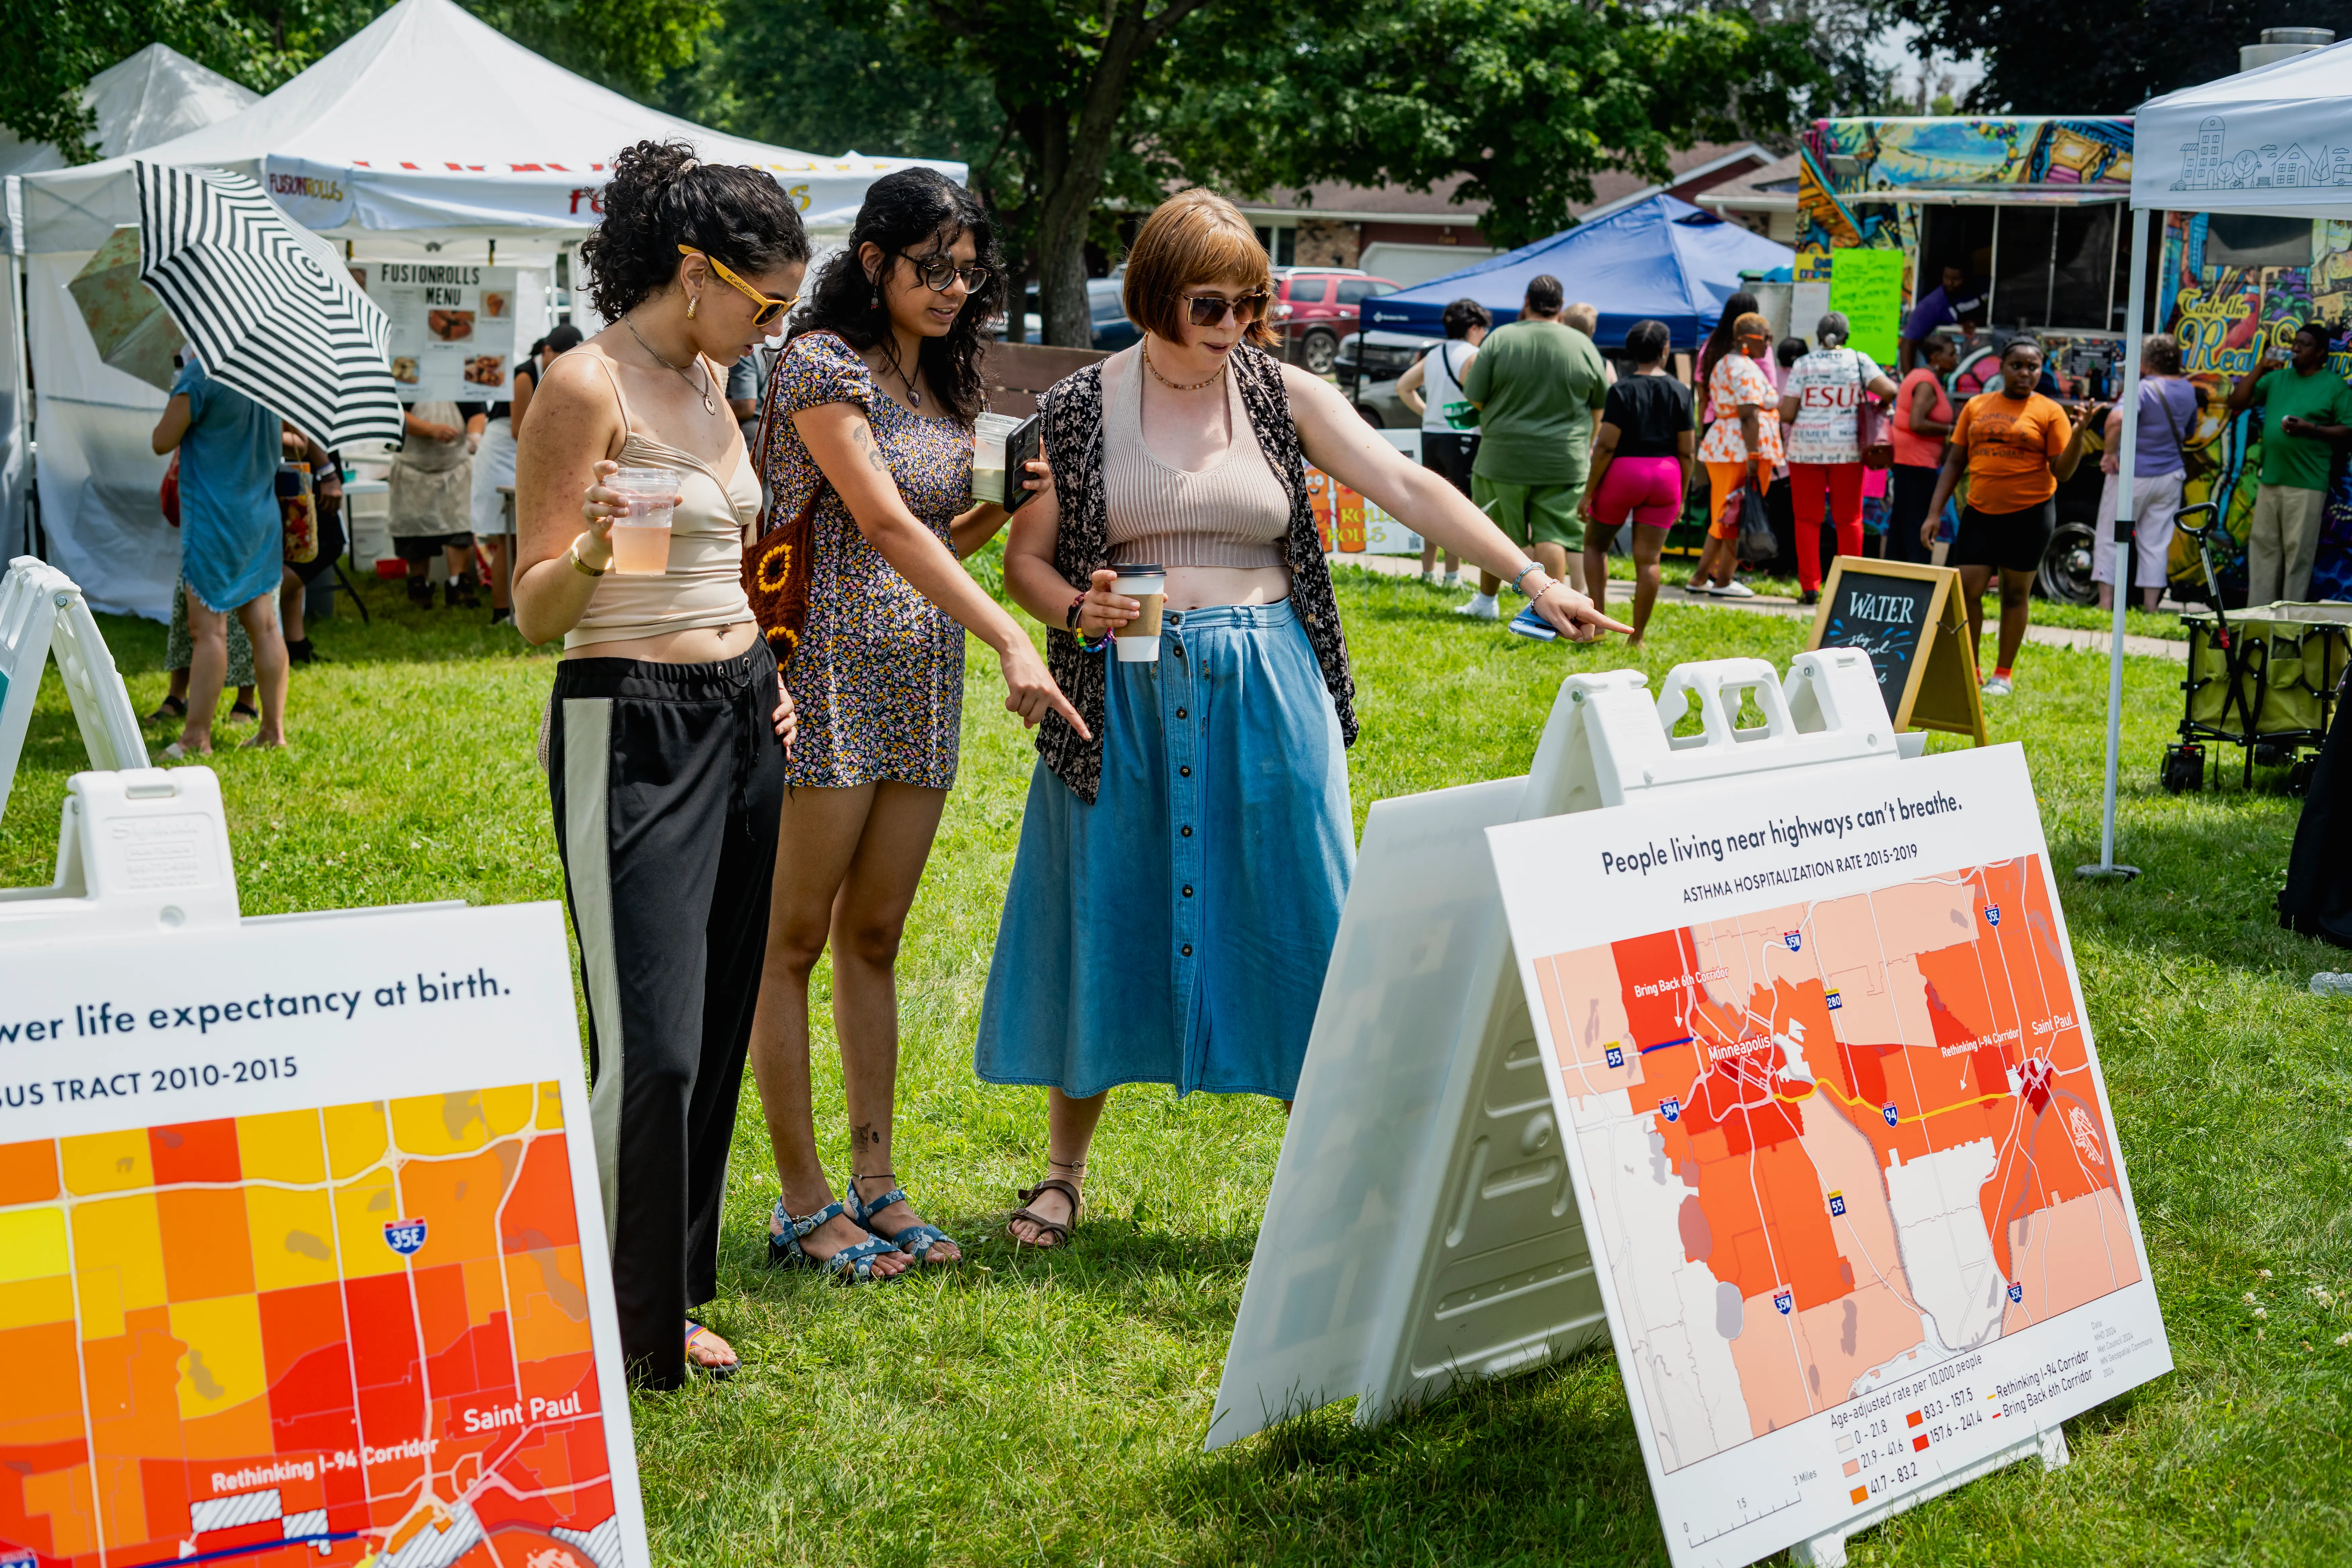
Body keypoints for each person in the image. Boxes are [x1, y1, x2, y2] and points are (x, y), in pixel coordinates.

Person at [976, 189, 1627, 1250]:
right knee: (1102, 906)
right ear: (1151, 294)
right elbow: (1025, 561)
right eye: (1209, 304)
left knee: (1300, 908)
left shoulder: (1284, 394)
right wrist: (1071, 609)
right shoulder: (1081, 406)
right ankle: (1061, 1176)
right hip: (1125, 687)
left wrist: (1525, 577)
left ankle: (1328, 1167)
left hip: (1268, 679)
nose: (1233, 324)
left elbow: (1405, 484)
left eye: (1248, 303)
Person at [745, 166, 1079, 1283]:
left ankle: (877, 1184)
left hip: (916, 679)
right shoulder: (818, 362)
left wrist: (1005, 503)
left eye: (966, 269)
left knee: (874, 938)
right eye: (929, 267)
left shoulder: (939, 373)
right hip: (824, 676)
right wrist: (1012, 640)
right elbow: (882, 523)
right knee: (789, 942)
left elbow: (937, 536)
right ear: (875, 260)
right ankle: (803, 1203)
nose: (951, 287)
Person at [512, 141, 809, 1385]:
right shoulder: (585, 386)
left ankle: (671, 1295)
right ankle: (612, 1327)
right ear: (696, 274)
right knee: (653, 1041)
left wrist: (767, 675)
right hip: (628, 719)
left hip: (740, 715)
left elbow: (711, 561)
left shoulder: (713, 384)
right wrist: (587, 550)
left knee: (717, 1025)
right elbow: (539, 613)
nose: (776, 325)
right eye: (768, 302)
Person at [1920, 337, 2092, 698]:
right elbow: (1954, 462)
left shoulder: (2049, 411)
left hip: (2030, 514)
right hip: (1981, 511)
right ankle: (1971, 669)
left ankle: (2003, 673)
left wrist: (2077, 434)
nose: (2025, 374)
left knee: (2015, 595)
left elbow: (2063, 472)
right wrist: (1934, 513)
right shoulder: (1977, 406)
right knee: (1968, 592)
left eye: (2033, 367)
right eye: (2018, 366)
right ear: (2002, 366)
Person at [151, 353, 290, 758]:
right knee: (266, 627)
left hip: (216, 518)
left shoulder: (203, 372)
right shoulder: (270, 369)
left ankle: (196, 738)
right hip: (261, 516)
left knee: (208, 632)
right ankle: (273, 731)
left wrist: (183, 391)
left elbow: (162, 440)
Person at [1454, 273, 1608, 636]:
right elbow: (1598, 407)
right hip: (1564, 458)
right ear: (1561, 305)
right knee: (1552, 537)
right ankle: (1549, 617)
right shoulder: (1583, 345)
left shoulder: (1501, 338)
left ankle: (1486, 603)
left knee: (1492, 534)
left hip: (1503, 455)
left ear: (1527, 300)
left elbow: (1474, 396)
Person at [2222, 321, 2352, 603]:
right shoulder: (2276, 379)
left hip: (2307, 484)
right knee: (2264, 550)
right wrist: (2261, 367)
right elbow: (2236, 402)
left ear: (2320, 352)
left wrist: (2312, 429)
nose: (2295, 349)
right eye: (2295, 343)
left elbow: (2348, 430)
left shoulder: (2334, 387)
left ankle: (2289, 620)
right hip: (2270, 480)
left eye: (2304, 345)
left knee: (2298, 554)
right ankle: (2259, 614)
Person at [1580, 318, 1692, 646]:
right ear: (1665, 350)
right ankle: (1637, 638)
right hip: (1666, 475)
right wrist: (1682, 495)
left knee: (1595, 545)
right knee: (1649, 561)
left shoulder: (1621, 390)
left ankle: (1598, 626)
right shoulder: (1681, 391)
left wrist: (1589, 493)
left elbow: (1606, 445)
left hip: (1624, 473)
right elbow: (1688, 451)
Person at [1778, 312, 1898, 604]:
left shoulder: (1803, 364)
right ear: (1847, 336)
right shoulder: (1858, 360)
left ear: (1819, 337)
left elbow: (1788, 413)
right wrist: (1876, 407)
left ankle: (1810, 587)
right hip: (1847, 450)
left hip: (1806, 450)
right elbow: (1890, 390)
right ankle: (1849, 588)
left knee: (1807, 520)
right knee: (1849, 519)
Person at [2096, 334, 2199, 613]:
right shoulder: (2188, 390)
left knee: (2114, 536)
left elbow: (2116, 419)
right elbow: (2189, 432)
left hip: (2133, 477)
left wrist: (2109, 453)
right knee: (2156, 542)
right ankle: (2150, 607)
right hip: (2170, 478)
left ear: (2148, 361)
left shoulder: (2141, 389)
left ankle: (2106, 605)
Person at [1396, 297, 1489, 587]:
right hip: (1463, 437)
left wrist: (1429, 413)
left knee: (1431, 505)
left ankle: (1428, 572)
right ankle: (1452, 576)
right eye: (1484, 330)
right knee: (1456, 507)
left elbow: (1404, 387)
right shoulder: (1473, 356)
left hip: (1432, 436)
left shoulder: (1434, 354)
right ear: (1474, 328)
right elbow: (1479, 399)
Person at [1690, 310, 1781, 598]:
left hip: (1726, 447)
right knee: (1734, 514)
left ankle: (1703, 577)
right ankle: (1722, 580)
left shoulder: (1725, 364)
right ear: (1746, 340)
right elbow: (1748, 416)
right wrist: (1754, 456)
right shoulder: (1742, 367)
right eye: (1765, 339)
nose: (1769, 345)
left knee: (1725, 513)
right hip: (1741, 450)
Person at [390, 399, 486, 608]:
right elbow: (396, 413)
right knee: (414, 532)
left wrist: (475, 435)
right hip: (412, 468)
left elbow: (477, 410)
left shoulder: (463, 372)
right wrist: (431, 430)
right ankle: (419, 585)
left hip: (455, 467)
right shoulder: (406, 374)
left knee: (460, 528)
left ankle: (458, 583)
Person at [1889, 330, 1959, 566]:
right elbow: (1916, 423)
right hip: (1917, 465)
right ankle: (1917, 575)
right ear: (1935, 357)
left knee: (1901, 525)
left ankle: (1893, 574)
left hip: (1910, 463)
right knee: (1918, 525)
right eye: (1952, 354)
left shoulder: (1921, 377)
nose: (1956, 359)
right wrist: (1951, 430)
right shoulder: (1926, 382)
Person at [1898, 263, 1987, 372]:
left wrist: (1976, 322)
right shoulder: (1931, 305)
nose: (1950, 283)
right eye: (1947, 278)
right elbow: (1908, 344)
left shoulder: (1984, 287)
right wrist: (1909, 381)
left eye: (1957, 279)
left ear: (1968, 278)